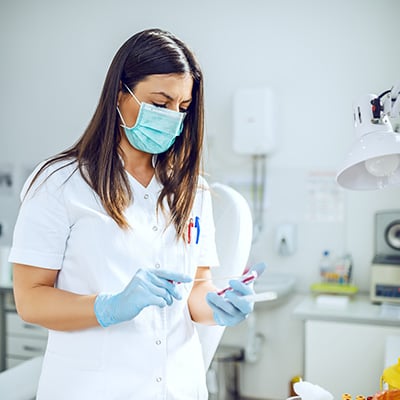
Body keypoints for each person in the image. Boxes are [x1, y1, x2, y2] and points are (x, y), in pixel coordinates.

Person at [9, 28, 256, 400]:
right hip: (92, 389)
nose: (173, 118)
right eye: (159, 103)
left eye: (183, 108)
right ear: (120, 95)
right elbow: (30, 299)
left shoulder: (193, 190)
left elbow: (196, 288)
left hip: (180, 387)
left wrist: (219, 305)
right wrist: (109, 307)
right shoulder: (59, 184)